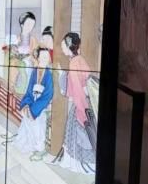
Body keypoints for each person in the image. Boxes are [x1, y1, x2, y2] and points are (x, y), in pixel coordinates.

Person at [53, 33, 95, 174]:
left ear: (69, 46)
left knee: (78, 135)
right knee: (77, 135)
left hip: (81, 103)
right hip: (85, 101)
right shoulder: (79, 59)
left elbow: (77, 89)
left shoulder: (74, 63)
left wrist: (81, 110)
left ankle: (79, 165)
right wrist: (63, 75)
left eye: (63, 45)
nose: (62, 48)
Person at [9, 48, 54, 157]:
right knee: (26, 117)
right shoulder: (35, 71)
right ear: (38, 58)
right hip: (32, 100)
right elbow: (29, 89)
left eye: (47, 57)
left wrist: (34, 109)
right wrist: (27, 104)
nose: (45, 59)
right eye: (43, 56)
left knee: (38, 122)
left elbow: (48, 95)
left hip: (42, 105)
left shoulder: (49, 74)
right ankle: (28, 143)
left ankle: (39, 147)